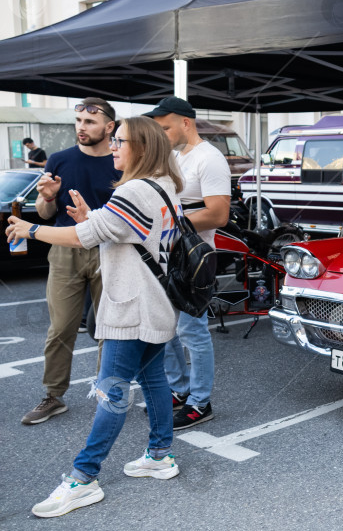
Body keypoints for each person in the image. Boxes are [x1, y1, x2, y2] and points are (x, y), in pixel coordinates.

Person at [6, 116, 185, 518]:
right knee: (153, 380)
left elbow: (80, 238)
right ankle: (160, 456)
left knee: (110, 391)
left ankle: (83, 479)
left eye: (121, 141)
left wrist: (29, 229)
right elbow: (119, 232)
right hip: (156, 302)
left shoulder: (135, 189)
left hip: (131, 306)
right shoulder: (165, 186)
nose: (115, 147)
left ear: (141, 148)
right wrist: (91, 217)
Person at [21, 98, 121, 425]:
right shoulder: (61, 159)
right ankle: (53, 395)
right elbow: (47, 213)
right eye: (78, 120)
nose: (81, 127)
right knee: (61, 327)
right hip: (65, 249)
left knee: (109, 327)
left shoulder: (122, 162)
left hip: (110, 249)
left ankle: (106, 394)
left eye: (90, 122)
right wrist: (48, 196)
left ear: (109, 127)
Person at [144, 96, 230, 430]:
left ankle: (200, 402)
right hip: (169, 255)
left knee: (192, 331)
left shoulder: (209, 158)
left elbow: (219, 214)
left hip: (192, 258)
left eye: (164, 127)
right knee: (167, 329)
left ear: (185, 122)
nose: (160, 134)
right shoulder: (178, 157)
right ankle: (179, 391)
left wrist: (168, 228)